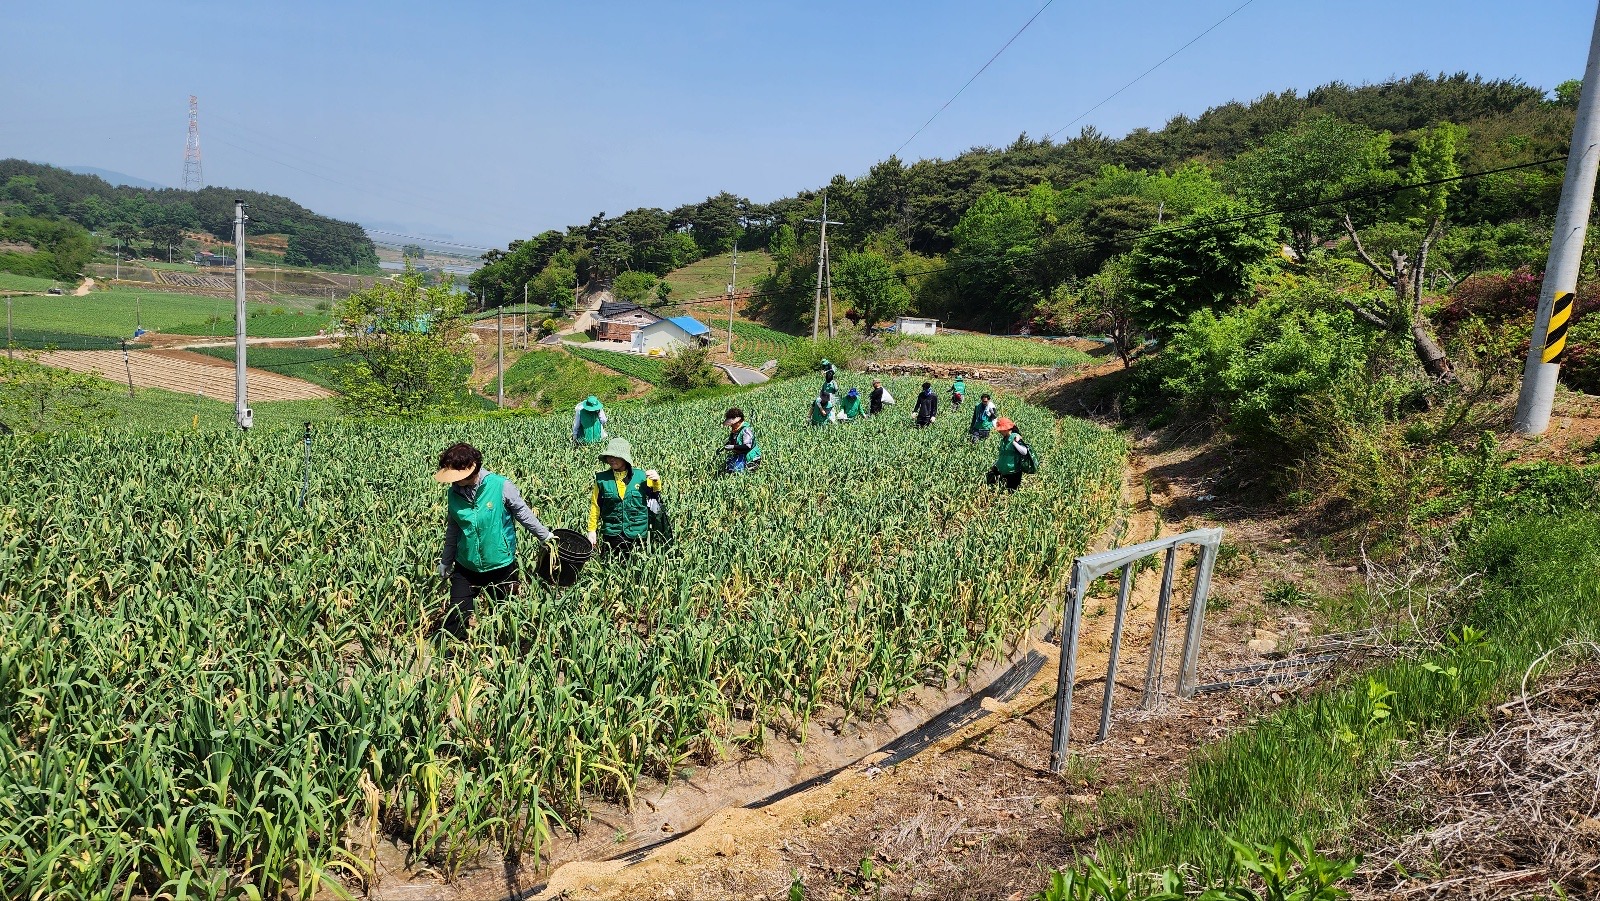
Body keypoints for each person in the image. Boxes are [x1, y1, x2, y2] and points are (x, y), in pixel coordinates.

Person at [435, 442, 554, 638]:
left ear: (470, 470)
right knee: (455, 616)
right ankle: (451, 654)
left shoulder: (500, 486)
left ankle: (501, 652)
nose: (452, 481)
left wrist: (545, 536)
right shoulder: (453, 493)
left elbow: (523, 514)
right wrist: (446, 561)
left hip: (500, 565)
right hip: (466, 565)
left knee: (504, 618)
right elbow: (453, 529)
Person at [587, 437, 662, 556]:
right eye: (609, 456)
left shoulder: (642, 476)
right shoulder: (602, 479)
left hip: (637, 534)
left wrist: (657, 481)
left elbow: (655, 498)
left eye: (615, 456)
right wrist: (592, 530)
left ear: (625, 458)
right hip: (612, 533)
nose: (611, 459)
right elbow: (595, 506)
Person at [986, 418, 1034, 492]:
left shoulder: (1015, 438)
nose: (999, 431)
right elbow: (1003, 456)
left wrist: (1014, 443)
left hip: (1013, 473)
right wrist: (995, 465)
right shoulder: (1004, 440)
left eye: (1001, 430)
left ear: (1006, 429)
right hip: (1003, 471)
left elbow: (1024, 452)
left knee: (1010, 493)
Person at [721, 407, 762, 473]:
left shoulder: (746, 430)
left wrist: (733, 447)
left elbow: (747, 446)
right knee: (729, 467)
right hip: (741, 455)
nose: (731, 426)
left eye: (732, 424)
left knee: (738, 471)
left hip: (751, 458)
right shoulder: (735, 431)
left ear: (738, 422)